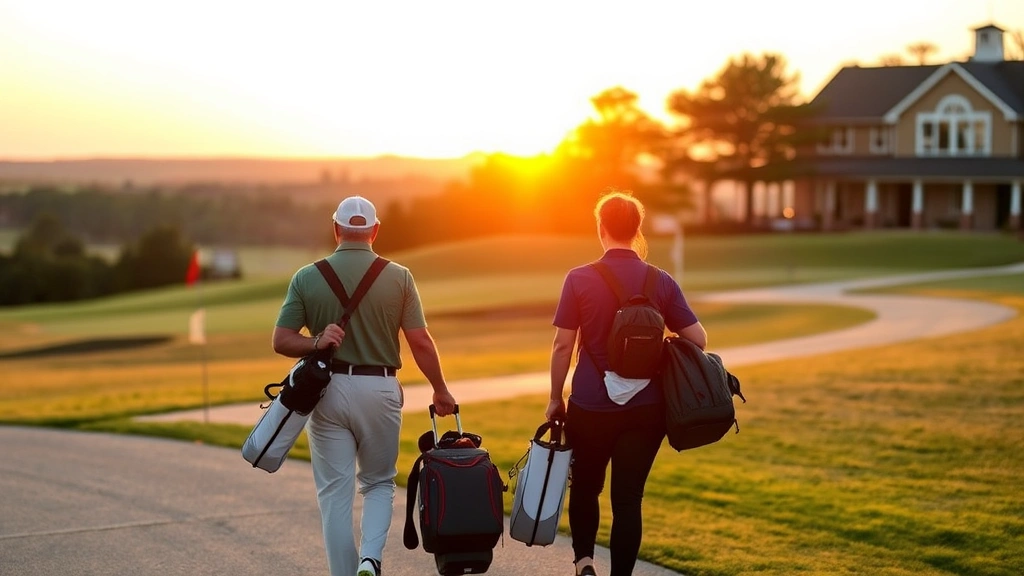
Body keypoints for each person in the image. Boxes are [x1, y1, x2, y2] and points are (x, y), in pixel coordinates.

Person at [272, 195, 457, 576]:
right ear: (375, 231)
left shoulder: (308, 277)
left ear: (336, 229)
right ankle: (370, 561)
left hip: (326, 391)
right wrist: (440, 388)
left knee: (334, 495)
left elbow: (282, 339)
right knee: (378, 483)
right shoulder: (399, 276)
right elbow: (420, 341)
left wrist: (316, 342)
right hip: (381, 389)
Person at [546, 190, 707, 576]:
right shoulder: (661, 280)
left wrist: (555, 398)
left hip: (590, 404)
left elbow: (562, 345)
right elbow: (698, 339)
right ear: (637, 230)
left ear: (601, 228)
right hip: (647, 409)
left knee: (586, 488)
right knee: (629, 499)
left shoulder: (579, 278)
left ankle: (584, 562)